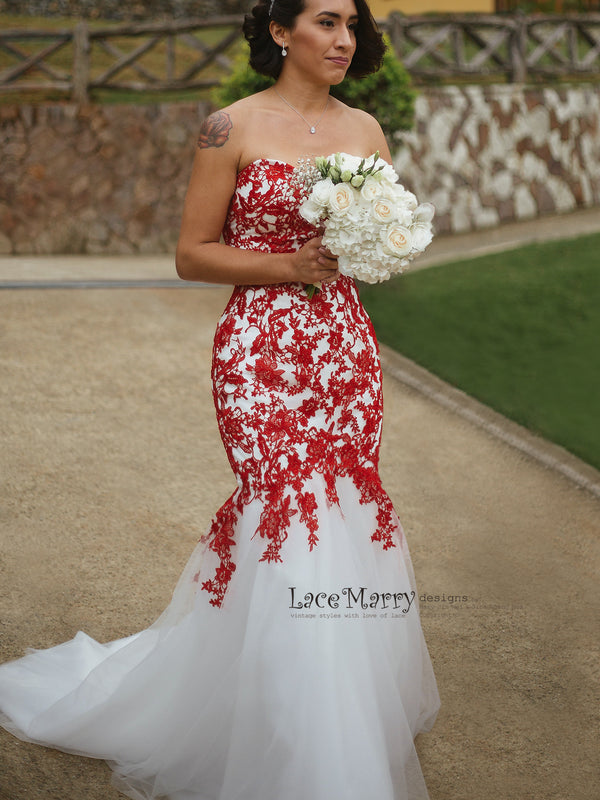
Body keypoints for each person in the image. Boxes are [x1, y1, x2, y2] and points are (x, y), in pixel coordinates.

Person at [0, 0, 440, 797]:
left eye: (351, 26)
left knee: (343, 504)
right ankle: (307, 745)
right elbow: (191, 255)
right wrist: (288, 268)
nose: (344, 40)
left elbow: (375, 242)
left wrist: (374, 247)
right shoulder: (227, 127)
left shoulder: (367, 131)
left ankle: (333, 709)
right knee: (285, 510)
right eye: (327, 22)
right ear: (280, 32)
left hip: (343, 350)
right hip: (258, 350)